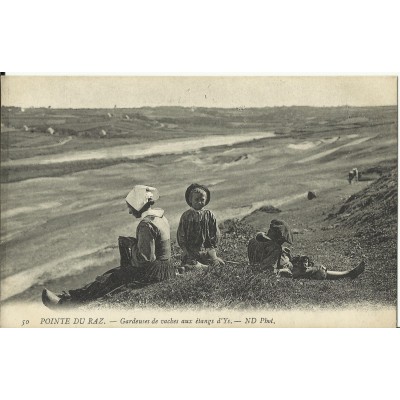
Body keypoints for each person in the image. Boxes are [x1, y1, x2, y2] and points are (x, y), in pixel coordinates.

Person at [42, 185, 175, 308]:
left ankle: (68, 304)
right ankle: (71, 297)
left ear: (139, 204)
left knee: (111, 278)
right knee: (112, 273)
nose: (130, 211)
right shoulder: (160, 217)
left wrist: (131, 245)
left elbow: (145, 259)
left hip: (155, 273)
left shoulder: (146, 224)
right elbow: (155, 248)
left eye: (131, 206)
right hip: (166, 268)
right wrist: (135, 243)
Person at [247, 219, 365, 280]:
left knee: (300, 261)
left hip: (255, 270)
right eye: (282, 240)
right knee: (315, 270)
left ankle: (347, 274)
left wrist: (281, 251)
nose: (281, 243)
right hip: (278, 274)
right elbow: (268, 273)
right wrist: (282, 271)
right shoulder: (275, 249)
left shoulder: (254, 241)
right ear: (279, 237)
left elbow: (261, 257)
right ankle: (348, 274)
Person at [176, 183, 225, 272]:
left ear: (206, 200)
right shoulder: (186, 216)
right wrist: (184, 249)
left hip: (207, 249)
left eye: (202, 199)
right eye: (196, 199)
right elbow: (181, 234)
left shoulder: (209, 215)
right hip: (191, 250)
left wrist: (213, 248)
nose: (199, 202)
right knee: (190, 263)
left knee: (216, 265)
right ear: (190, 200)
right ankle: (193, 266)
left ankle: (210, 263)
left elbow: (215, 232)